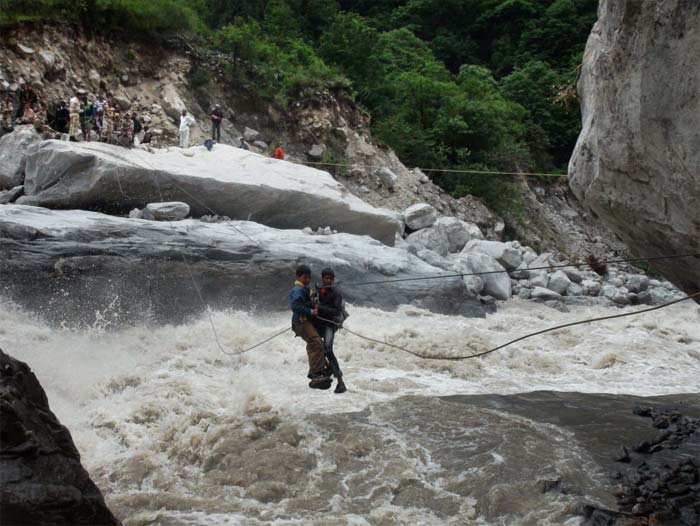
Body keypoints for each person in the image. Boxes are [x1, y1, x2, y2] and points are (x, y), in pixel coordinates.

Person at [290, 265, 333, 390]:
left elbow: (303, 301)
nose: (308, 280)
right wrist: (310, 311)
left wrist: (312, 301)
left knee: (316, 342)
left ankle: (317, 370)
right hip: (301, 322)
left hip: (302, 322)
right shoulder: (297, 289)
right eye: (306, 278)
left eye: (309, 278)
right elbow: (295, 306)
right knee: (315, 342)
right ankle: (316, 373)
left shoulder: (302, 288)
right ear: (300, 277)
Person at [312, 268, 347, 394]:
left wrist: (319, 307)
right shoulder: (319, 290)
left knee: (327, 349)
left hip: (330, 325)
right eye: (326, 278)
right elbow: (314, 302)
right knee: (315, 345)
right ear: (322, 278)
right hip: (319, 323)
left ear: (333, 279)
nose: (329, 280)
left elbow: (336, 311)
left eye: (331, 278)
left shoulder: (336, 293)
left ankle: (340, 382)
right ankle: (327, 368)